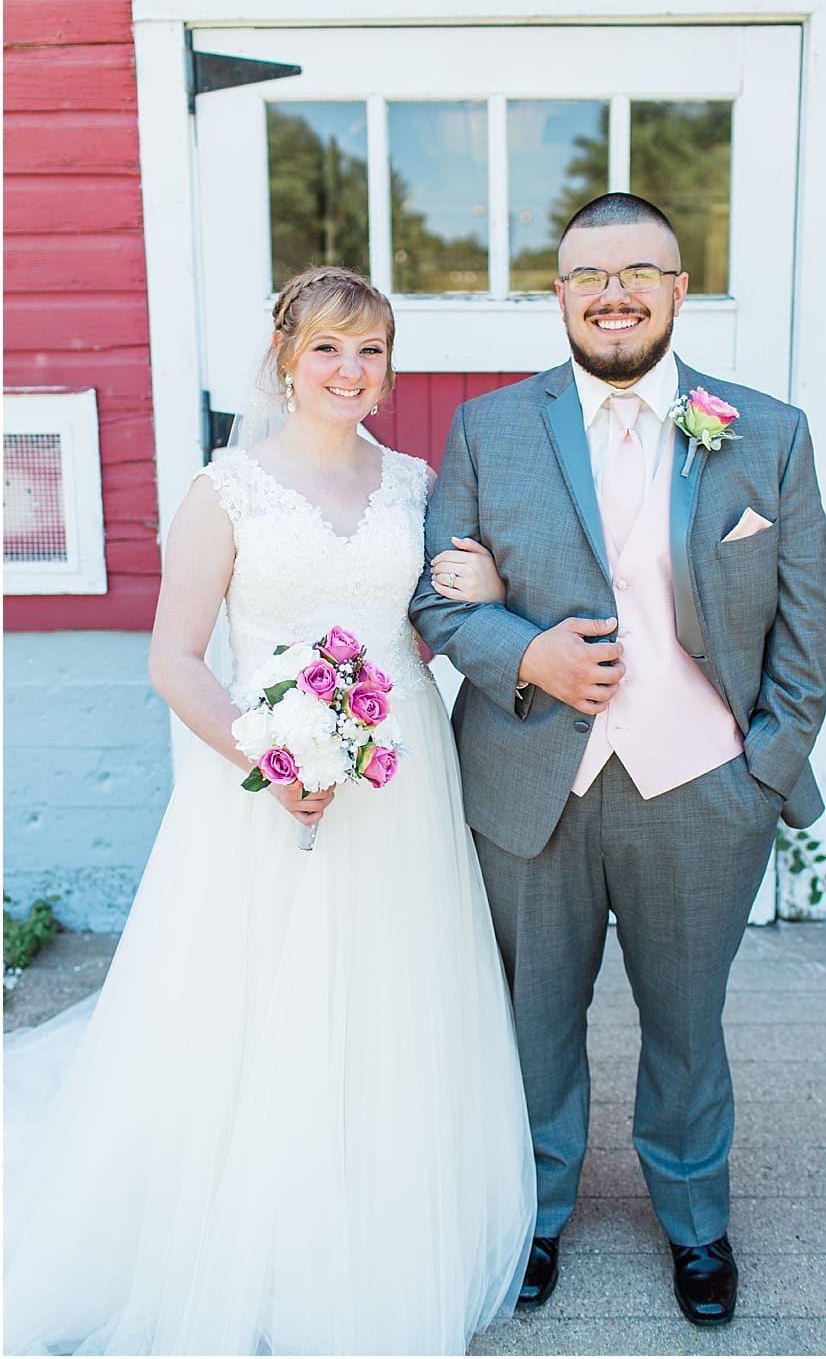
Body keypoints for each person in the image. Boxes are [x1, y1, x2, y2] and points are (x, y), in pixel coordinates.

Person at [3, 267, 535, 1354]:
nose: (352, 370)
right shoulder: (228, 489)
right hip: (259, 779)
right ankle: (254, 1208)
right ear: (286, 353)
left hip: (401, 775)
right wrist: (269, 750)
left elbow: (433, 611)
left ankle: (381, 1188)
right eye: (331, 347)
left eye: (373, 350)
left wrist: (479, 585)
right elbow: (173, 656)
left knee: (394, 987)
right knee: (255, 994)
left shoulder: (413, 482)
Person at [410, 194, 826, 1327]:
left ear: (679, 287)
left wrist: (763, 775)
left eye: (638, 271)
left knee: (687, 1021)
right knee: (532, 1016)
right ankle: (532, 1212)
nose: (613, 293)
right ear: (558, 294)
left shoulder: (769, 430)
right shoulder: (488, 429)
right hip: (528, 780)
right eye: (588, 274)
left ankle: (696, 1221)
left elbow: (805, 628)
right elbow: (433, 598)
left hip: (703, 787)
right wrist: (528, 651)